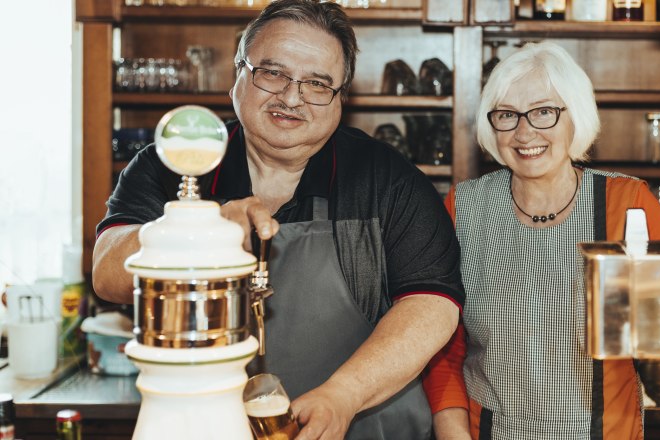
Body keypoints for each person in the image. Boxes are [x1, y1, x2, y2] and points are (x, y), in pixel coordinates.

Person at [91, 1, 463, 439]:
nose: (291, 97)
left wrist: (343, 395)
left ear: (342, 96)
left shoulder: (387, 180)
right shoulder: (170, 165)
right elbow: (107, 273)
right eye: (273, 73)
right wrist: (199, 235)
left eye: (317, 84)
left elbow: (433, 305)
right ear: (238, 73)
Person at [422, 41, 660, 439]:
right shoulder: (463, 207)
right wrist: (453, 433)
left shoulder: (626, 203)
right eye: (507, 115)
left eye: (544, 112)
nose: (524, 131)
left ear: (575, 116)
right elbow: (443, 344)